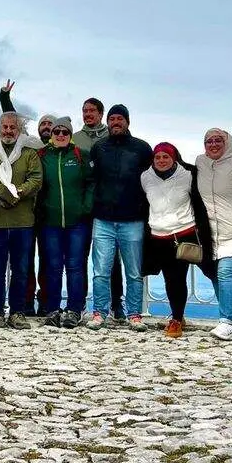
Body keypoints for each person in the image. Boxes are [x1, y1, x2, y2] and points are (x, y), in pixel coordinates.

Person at [141, 142, 216, 338]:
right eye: (158, 157)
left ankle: (223, 317)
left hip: (185, 232)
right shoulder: (145, 176)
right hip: (159, 236)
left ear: (174, 158)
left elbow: (200, 200)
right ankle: (177, 317)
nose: (161, 160)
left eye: (166, 156)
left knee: (210, 270)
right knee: (172, 279)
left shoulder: (189, 174)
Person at [0, 112, 43, 329]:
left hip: (22, 222)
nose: (8, 131)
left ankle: (17, 312)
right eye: (4, 126)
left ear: (19, 130)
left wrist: (18, 192)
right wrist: (5, 193)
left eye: (12, 127)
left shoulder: (29, 154)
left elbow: (36, 179)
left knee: (21, 269)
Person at [88, 104, 152, 331]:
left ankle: (135, 315)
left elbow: (152, 180)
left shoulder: (142, 149)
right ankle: (99, 313)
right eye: (112, 119)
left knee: (134, 271)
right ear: (108, 122)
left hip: (132, 219)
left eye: (120, 119)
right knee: (101, 271)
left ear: (127, 121)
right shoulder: (99, 148)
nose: (116, 122)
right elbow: (91, 179)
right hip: (103, 218)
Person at [0, 79, 54, 314]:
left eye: (52, 124)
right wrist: (4, 96)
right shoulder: (29, 143)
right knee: (26, 261)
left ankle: (47, 302)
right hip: (27, 210)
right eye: (44, 123)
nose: (48, 127)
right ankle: (27, 302)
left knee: (49, 262)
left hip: (50, 211)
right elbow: (10, 119)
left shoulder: (63, 146)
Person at [195, 128, 232, 340]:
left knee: (227, 274)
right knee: (214, 274)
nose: (213, 144)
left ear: (227, 142)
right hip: (210, 235)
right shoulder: (201, 163)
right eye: (208, 141)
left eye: (218, 140)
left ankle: (226, 321)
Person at [36, 117, 93, 329]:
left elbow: (91, 182)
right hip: (50, 222)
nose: (60, 135)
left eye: (65, 132)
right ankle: (52, 309)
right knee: (52, 266)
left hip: (77, 222)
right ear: (51, 135)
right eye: (56, 131)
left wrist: (85, 207)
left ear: (70, 135)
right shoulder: (42, 156)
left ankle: (74, 309)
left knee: (75, 266)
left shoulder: (80, 156)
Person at [73, 97, 125, 320]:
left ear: (101, 113)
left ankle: (116, 304)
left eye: (92, 110)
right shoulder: (74, 138)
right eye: (85, 111)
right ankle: (80, 303)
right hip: (83, 205)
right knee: (81, 256)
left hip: (108, 205)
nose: (88, 114)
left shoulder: (111, 136)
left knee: (112, 259)